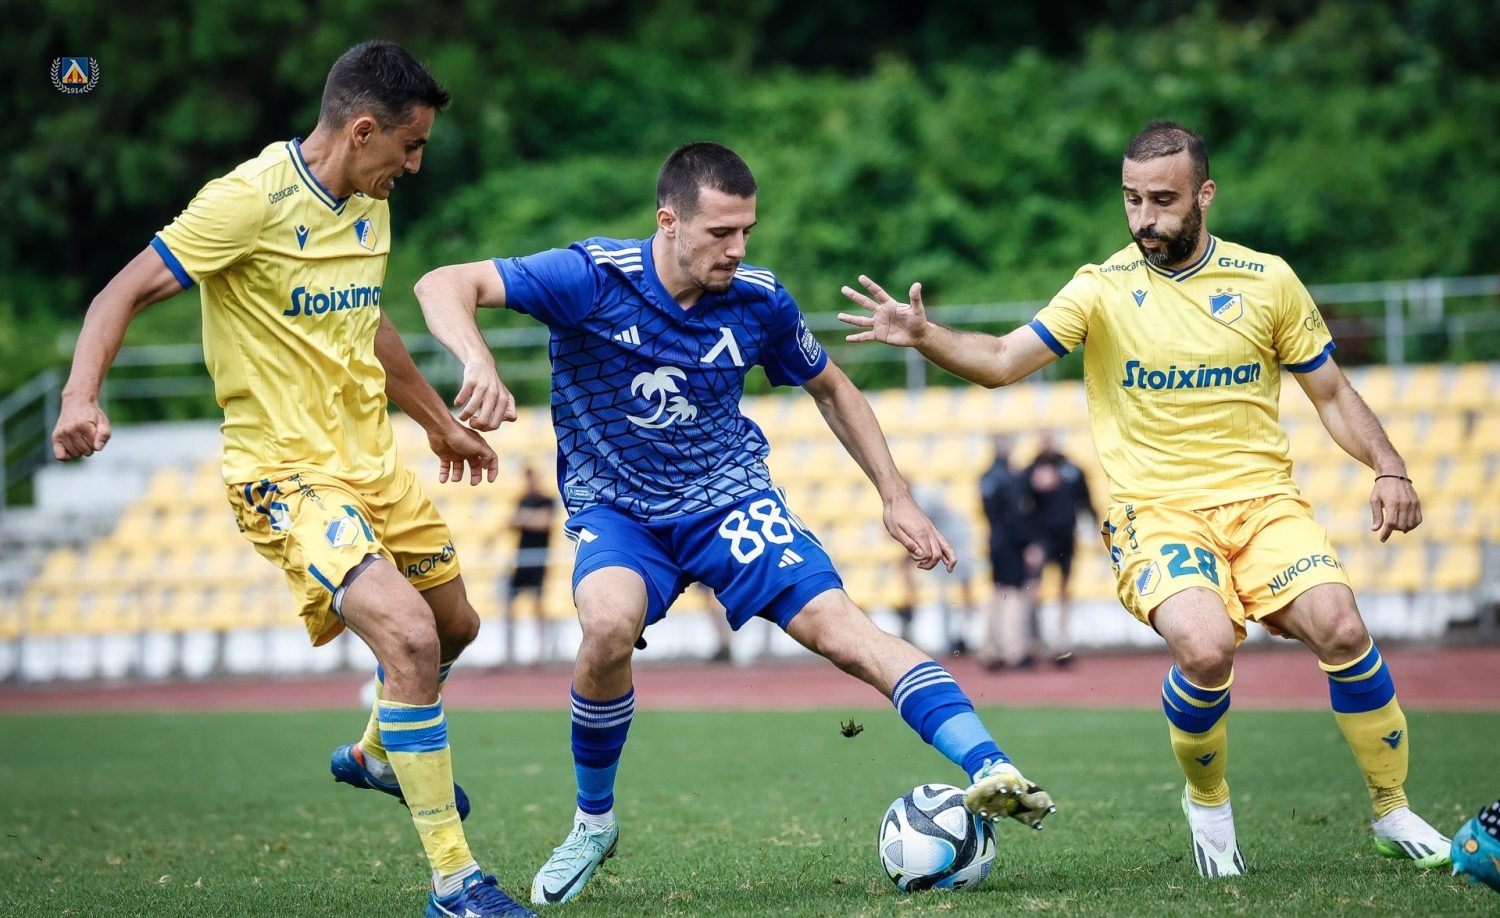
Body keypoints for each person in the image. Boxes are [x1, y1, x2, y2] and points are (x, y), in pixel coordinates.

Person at [413, 141, 1056, 905]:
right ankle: (593, 821)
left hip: (730, 503)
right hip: (620, 511)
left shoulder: (759, 300)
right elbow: (441, 282)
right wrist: (477, 360)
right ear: (669, 222)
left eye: (747, 230)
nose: (738, 248)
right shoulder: (590, 277)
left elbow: (833, 388)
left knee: (843, 631)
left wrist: (895, 495)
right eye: (721, 232)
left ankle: (990, 766)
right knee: (607, 626)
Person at [839, 120, 1451, 878]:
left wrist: (1388, 466)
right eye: (1132, 199)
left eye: (1163, 200)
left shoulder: (1267, 281)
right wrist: (925, 335)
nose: (1144, 218)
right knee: (1206, 646)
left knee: (1343, 628)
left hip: (1264, 503)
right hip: (1155, 512)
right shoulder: (1101, 289)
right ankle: (1209, 802)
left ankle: (1392, 808)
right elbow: (1000, 360)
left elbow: (1329, 392)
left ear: (1205, 194)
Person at [49, 41, 533, 917]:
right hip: (283, 473)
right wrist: (82, 396)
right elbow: (117, 294)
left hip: (371, 463)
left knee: (454, 626)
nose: (415, 166)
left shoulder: (368, 202)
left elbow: (367, 322)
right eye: (410, 147)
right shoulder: (245, 202)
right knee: (409, 640)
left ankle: (378, 754)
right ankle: (457, 883)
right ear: (361, 131)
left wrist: (439, 423)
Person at [1019, 428, 1097, 666]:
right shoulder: (1030, 471)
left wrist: (1094, 529)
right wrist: (1028, 541)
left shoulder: (1071, 469)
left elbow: (1086, 502)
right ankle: (1030, 645)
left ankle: (1061, 646)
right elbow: (1021, 506)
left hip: (1066, 537)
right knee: (1032, 589)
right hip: (1041, 539)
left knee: (1064, 591)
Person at [977, 433, 1034, 671]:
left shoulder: (986, 476)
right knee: (1013, 593)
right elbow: (1015, 514)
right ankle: (1014, 651)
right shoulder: (1010, 477)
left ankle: (990, 648)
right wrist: (1026, 542)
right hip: (1010, 542)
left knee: (997, 590)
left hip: (995, 539)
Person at [503, 464, 558, 665]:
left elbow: (545, 523)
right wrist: (529, 518)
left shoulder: (547, 500)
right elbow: (509, 523)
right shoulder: (522, 500)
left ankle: (541, 652)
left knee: (538, 604)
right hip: (522, 559)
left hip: (538, 559)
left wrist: (524, 518)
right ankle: (510, 653)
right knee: (510, 603)